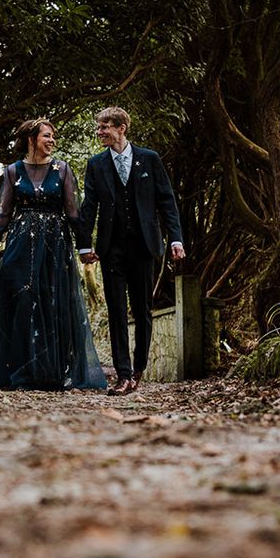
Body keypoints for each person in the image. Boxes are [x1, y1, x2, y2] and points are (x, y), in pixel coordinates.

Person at [0, 118, 107, 391]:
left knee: (51, 302)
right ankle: (21, 371)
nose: (52, 141)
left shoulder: (62, 170)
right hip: (20, 246)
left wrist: (85, 247)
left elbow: (73, 213)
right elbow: (3, 215)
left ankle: (50, 373)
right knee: (21, 299)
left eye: (53, 137)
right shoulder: (13, 171)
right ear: (31, 139)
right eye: (47, 136)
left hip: (54, 247)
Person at [78, 106, 185, 395]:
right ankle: (122, 375)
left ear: (121, 128)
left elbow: (166, 201)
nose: (100, 132)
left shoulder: (149, 159)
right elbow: (89, 207)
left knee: (143, 310)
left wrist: (176, 239)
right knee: (116, 310)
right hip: (111, 248)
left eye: (105, 127)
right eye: (99, 127)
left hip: (144, 245)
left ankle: (138, 371)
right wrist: (85, 244)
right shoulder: (96, 164)